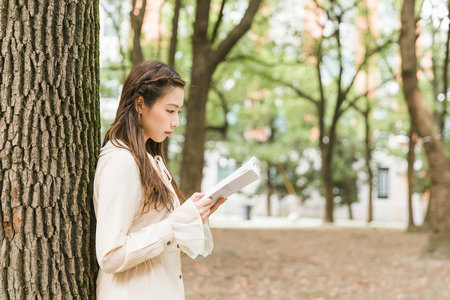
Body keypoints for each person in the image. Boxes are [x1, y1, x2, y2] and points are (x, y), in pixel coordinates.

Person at [93, 60, 226, 299]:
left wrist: (194, 216)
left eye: (178, 112)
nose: (175, 122)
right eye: (170, 110)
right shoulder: (122, 162)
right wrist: (174, 224)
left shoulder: (149, 160)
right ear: (140, 104)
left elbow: (165, 244)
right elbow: (110, 255)